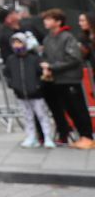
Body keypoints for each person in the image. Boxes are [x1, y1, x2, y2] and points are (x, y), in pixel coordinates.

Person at [39, 8, 95, 149]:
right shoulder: (47, 38)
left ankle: (87, 136)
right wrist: (45, 65)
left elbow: (74, 58)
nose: (45, 22)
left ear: (58, 21)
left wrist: (52, 66)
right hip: (57, 79)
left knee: (78, 108)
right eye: (45, 19)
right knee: (69, 110)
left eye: (49, 19)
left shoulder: (67, 37)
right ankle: (80, 136)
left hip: (70, 78)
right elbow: (45, 56)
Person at [5, 32, 56, 148]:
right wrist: (13, 85)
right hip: (21, 93)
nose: (16, 45)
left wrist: (38, 85)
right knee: (27, 116)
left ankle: (47, 137)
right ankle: (31, 137)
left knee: (42, 115)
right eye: (14, 43)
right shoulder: (11, 60)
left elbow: (42, 74)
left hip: (36, 93)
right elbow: (7, 74)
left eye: (19, 42)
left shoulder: (34, 59)